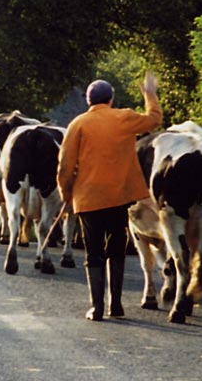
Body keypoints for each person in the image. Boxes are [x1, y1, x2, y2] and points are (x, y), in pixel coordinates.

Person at [57, 72, 162, 320]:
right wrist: (149, 93)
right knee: (116, 248)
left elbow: (65, 165)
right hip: (119, 197)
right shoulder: (124, 117)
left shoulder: (78, 124)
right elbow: (155, 119)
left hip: (87, 198)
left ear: (88, 101)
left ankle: (97, 308)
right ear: (111, 99)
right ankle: (116, 304)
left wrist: (66, 193)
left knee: (93, 252)